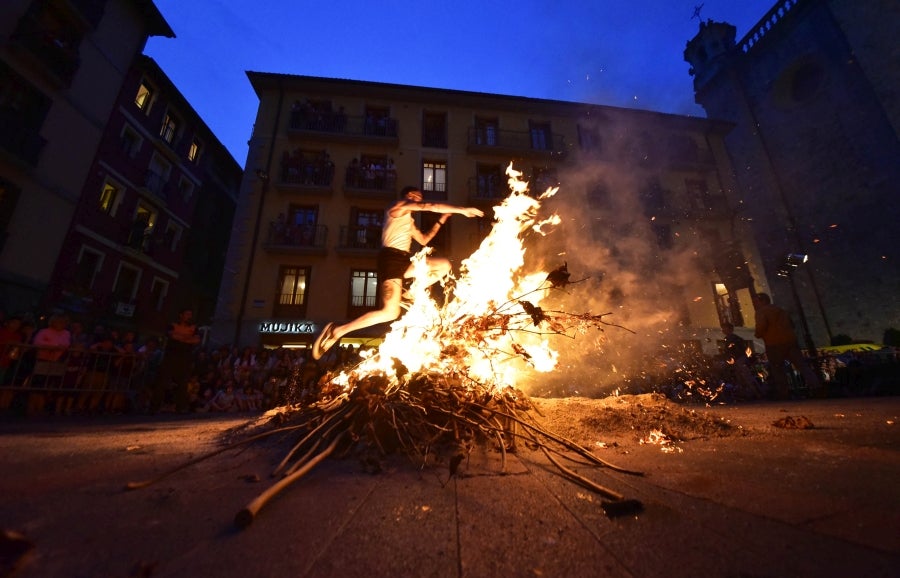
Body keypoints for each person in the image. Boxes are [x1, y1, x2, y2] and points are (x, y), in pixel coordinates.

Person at [311, 186, 484, 360]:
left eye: (419, 196)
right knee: (390, 313)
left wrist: (442, 219)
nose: (417, 198)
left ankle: (409, 294)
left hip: (404, 262)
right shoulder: (398, 207)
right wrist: (462, 210)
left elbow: (424, 239)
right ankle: (338, 330)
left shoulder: (409, 221)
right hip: (390, 259)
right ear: (406, 197)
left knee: (444, 265)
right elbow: (428, 206)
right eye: (414, 196)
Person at [751, 292, 823, 399]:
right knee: (802, 366)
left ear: (762, 301)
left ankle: (784, 393)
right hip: (790, 341)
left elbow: (761, 327)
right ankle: (817, 387)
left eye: (755, 302)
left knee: (778, 369)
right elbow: (792, 324)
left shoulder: (761, 311)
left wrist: (758, 334)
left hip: (774, 343)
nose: (754, 304)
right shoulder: (781, 310)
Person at [152, 308, 201, 413]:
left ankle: (180, 408)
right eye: (187, 314)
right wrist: (187, 338)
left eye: (190, 315)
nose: (189, 317)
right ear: (181, 315)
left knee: (183, 383)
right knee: (162, 382)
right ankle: (154, 407)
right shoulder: (173, 325)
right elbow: (172, 335)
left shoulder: (193, 327)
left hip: (185, 358)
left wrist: (181, 338)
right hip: (171, 356)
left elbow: (196, 340)